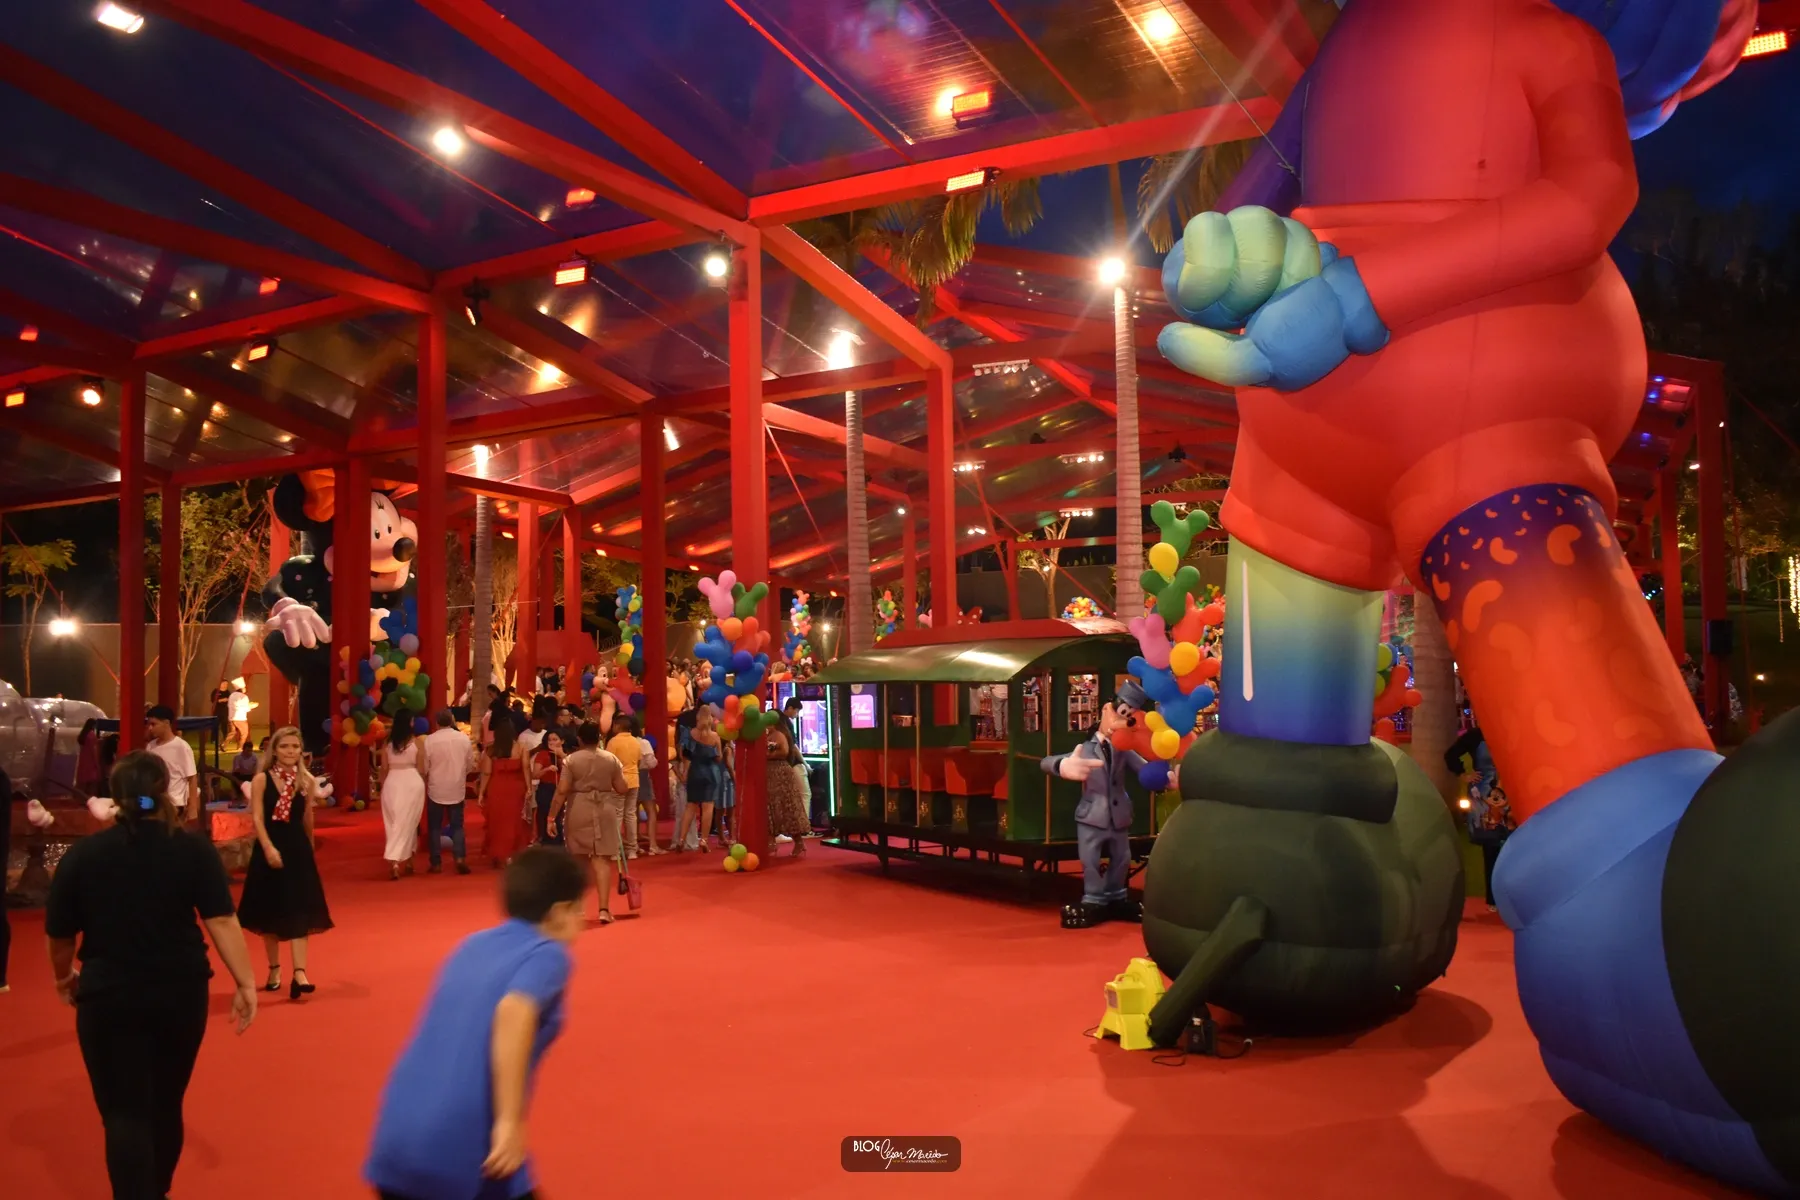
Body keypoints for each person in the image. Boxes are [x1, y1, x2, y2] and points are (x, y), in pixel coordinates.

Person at [46, 750, 259, 1199]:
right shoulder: (192, 849)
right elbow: (222, 920)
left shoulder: (84, 856)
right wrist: (245, 982)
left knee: (123, 1112)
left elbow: (60, 936)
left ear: (114, 795)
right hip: (181, 992)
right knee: (165, 1104)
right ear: (164, 790)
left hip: (109, 995)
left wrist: (63, 976)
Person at [364, 847, 586, 1200]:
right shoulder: (547, 953)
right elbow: (514, 1011)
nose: (583, 920)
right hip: (463, 1145)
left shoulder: (472, 946)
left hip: (396, 1133)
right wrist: (510, 1121)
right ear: (559, 913)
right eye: (579, 909)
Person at [1040, 681, 1160, 929]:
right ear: (1107, 710)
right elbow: (1046, 761)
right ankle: (1093, 899)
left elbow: (1144, 769)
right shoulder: (1086, 749)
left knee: (1122, 858)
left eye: (1129, 716)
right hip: (1092, 815)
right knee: (1090, 859)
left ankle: (1117, 896)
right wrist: (1063, 766)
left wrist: (1166, 777)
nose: (1123, 720)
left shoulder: (1123, 749)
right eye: (1121, 712)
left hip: (1119, 814)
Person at [238, 725, 335, 996]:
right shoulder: (261, 780)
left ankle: (300, 973)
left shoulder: (305, 781)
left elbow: (307, 817)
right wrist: (268, 847)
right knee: (270, 909)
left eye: (295, 746)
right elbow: (257, 817)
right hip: (268, 847)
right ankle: (274, 968)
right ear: (274, 750)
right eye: (284, 746)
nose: (290, 751)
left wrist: (310, 846)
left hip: (297, 849)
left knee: (300, 908)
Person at [547, 722, 632, 924]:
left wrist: (551, 817)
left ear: (579, 739)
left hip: (579, 807)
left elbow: (562, 790)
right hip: (605, 808)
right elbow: (622, 788)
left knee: (578, 859)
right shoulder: (611, 759)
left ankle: (577, 908)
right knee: (602, 861)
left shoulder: (571, 760)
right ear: (598, 738)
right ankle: (604, 910)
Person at [1446, 720, 1512, 911]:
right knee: (1491, 846)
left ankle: (1513, 896)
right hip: (1484, 795)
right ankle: (1493, 899)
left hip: (1511, 792)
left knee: (1513, 844)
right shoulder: (1476, 735)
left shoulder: (1513, 730)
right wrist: (1463, 774)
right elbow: (1451, 755)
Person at [424, 709, 475, 874]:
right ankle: (459, 858)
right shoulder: (463, 739)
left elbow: (425, 766)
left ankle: (436, 862)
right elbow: (470, 764)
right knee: (457, 826)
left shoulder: (430, 740)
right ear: (452, 720)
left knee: (435, 827)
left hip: (436, 788)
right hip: (456, 787)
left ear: (436, 723)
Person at [380, 714, 428, 881]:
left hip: (392, 781)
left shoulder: (387, 743)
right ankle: (408, 861)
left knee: (393, 822)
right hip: (412, 781)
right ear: (410, 723)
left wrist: (383, 786)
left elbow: (383, 768)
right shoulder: (417, 743)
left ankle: (394, 863)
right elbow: (421, 768)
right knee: (410, 822)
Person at [478, 714, 529, 868]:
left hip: (496, 787)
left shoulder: (491, 749)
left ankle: (498, 853)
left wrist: (481, 792)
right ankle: (511, 854)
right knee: (513, 821)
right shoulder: (521, 747)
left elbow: (486, 773)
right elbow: (526, 768)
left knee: (497, 821)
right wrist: (529, 787)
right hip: (515, 788)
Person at [676, 705, 724, 853]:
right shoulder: (715, 736)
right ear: (710, 718)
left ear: (698, 717)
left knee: (690, 807)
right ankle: (704, 839)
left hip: (694, 772)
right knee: (708, 807)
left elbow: (684, 755)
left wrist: (685, 772)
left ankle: (681, 839)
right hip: (710, 773)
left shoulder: (690, 733)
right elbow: (719, 757)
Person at [145, 705, 198, 827]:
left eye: (154, 724)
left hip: (175, 805)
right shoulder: (150, 747)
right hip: (156, 804)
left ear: (166, 723)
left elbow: (192, 777)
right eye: (149, 724)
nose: (150, 728)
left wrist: (193, 807)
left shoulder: (181, 747)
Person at [765, 725, 810, 857]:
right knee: (769, 808)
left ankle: (799, 842)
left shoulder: (779, 735)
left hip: (780, 773)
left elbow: (784, 752)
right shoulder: (765, 736)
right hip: (768, 774)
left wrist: (768, 755)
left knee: (787, 807)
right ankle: (771, 842)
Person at [604, 715, 643, 859]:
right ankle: (632, 849)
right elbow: (639, 761)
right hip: (634, 779)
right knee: (631, 815)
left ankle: (615, 851)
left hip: (618, 781)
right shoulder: (636, 741)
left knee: (617, 815)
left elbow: (609, 763)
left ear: (618, 726)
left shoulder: (613, 742)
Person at [530, 730, 565, 846]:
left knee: (560, 817)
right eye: (549, 740)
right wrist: (547, 769)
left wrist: (561, 755)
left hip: (562, 789)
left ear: (562, 741)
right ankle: (546, 842)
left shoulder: (566, 756)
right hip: (546, 789)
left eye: (555, 739)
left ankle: (560, 842)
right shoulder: (542, 754)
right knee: (545, 815)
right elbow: (535, 775)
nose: (551, 742)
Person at [636, 726, 662, 855]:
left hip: (627, 777)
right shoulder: (643, 743)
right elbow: (651, 763)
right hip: (643, 776)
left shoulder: (616, 741)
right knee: (651, 810)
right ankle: (653, 845)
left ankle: (634, 843)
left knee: (631, 812)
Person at [77, 718, 104, 795]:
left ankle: (82, 799)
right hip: (91, 761)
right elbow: (94, 750)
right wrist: (97, 764)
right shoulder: (91, 735)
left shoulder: (83, 735)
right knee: (92, 784)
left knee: (83, 784)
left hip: (83, 761)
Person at [227, 678, 253, 750]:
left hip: (231, 717)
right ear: (241, 688)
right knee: (244, 733)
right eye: (244, 687)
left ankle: (223, 745)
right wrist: (251, 707)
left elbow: (230, 705)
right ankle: (240, 747)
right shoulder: (244, 697)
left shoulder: (231, 695)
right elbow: (245, 708)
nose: (245, 689)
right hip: (240, 718)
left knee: (232, 732)